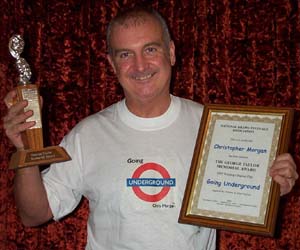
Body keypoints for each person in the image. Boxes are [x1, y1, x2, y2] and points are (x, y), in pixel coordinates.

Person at [3, 6, 298, 250]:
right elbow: (34, 214)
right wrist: (26, 152)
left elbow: (246, 194)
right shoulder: (87, 134)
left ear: (170, 53)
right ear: (111, 64)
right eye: (125, 54)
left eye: (150, 49)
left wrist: (272, 186)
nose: (140, 65)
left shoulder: (215, 128)